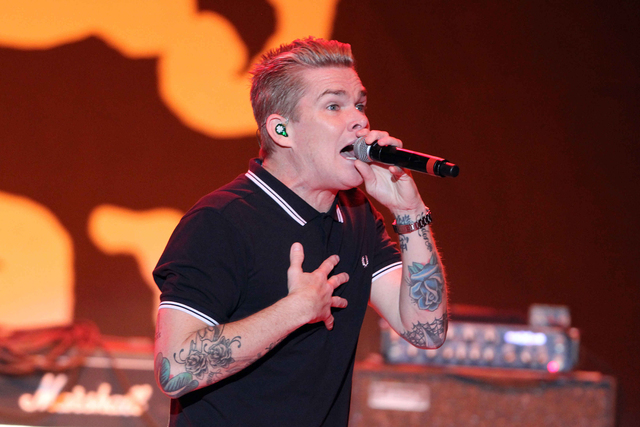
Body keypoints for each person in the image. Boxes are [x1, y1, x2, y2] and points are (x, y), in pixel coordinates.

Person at [153, 37, 448, 426]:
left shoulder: (357, 215)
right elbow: (173, 370)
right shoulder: (220, 221)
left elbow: (426, 330)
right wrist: (294, 311)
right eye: (334, 106)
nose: (360, 121)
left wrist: (410, 212)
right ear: (281, 130)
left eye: (359, 105)